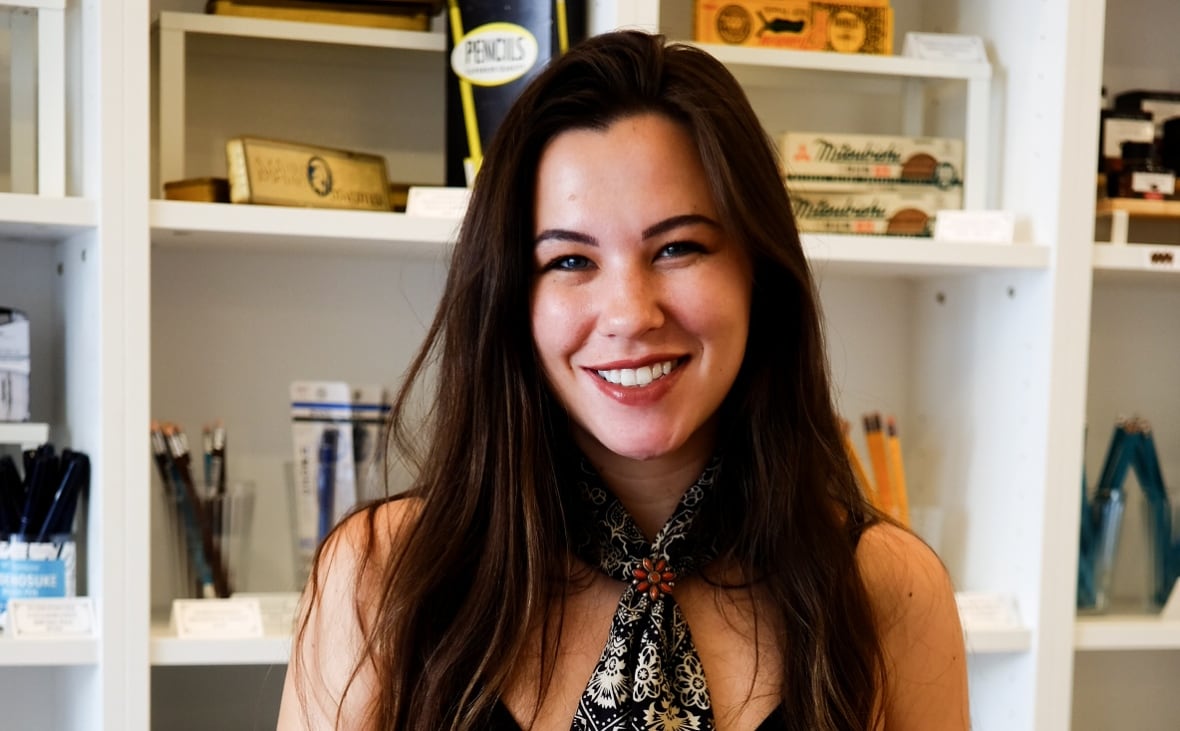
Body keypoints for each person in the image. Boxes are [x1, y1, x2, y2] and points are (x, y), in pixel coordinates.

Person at [277, 29, 968, 731]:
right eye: (571, 262)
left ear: (758, 270)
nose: (630, 314)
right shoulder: (381, 576)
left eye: (677, 247)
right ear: (513, 296)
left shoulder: (888, 588)